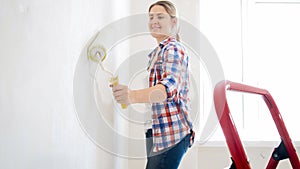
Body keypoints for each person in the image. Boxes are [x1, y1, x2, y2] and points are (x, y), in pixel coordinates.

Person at [110, 1, 195, 168]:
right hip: (157, 131)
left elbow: (166, 90)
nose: (154, 21)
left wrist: (131, 96)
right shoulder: (157, 53)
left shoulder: (173, 49)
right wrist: (126, 94)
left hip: (171, 133)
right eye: (151, 17)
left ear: (173, 22)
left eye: (160, 16)